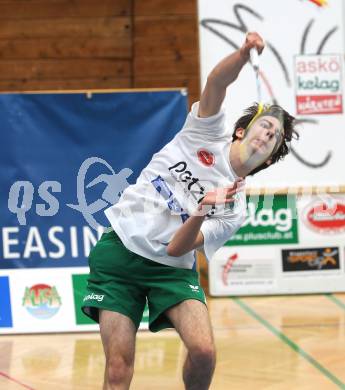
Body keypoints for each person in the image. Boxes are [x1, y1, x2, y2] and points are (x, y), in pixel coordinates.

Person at [81, 32, 298, 390]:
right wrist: (244, 55)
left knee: (204, 351)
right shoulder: (205, 132)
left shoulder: (236, 209)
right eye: (266, 126)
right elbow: (216, 82)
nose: (268, 134)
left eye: (275, 137)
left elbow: (177, 249)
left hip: (171, 270)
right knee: (119, 370)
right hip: (121, 252)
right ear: (242, 130)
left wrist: (201, 210)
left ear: (271, 156)